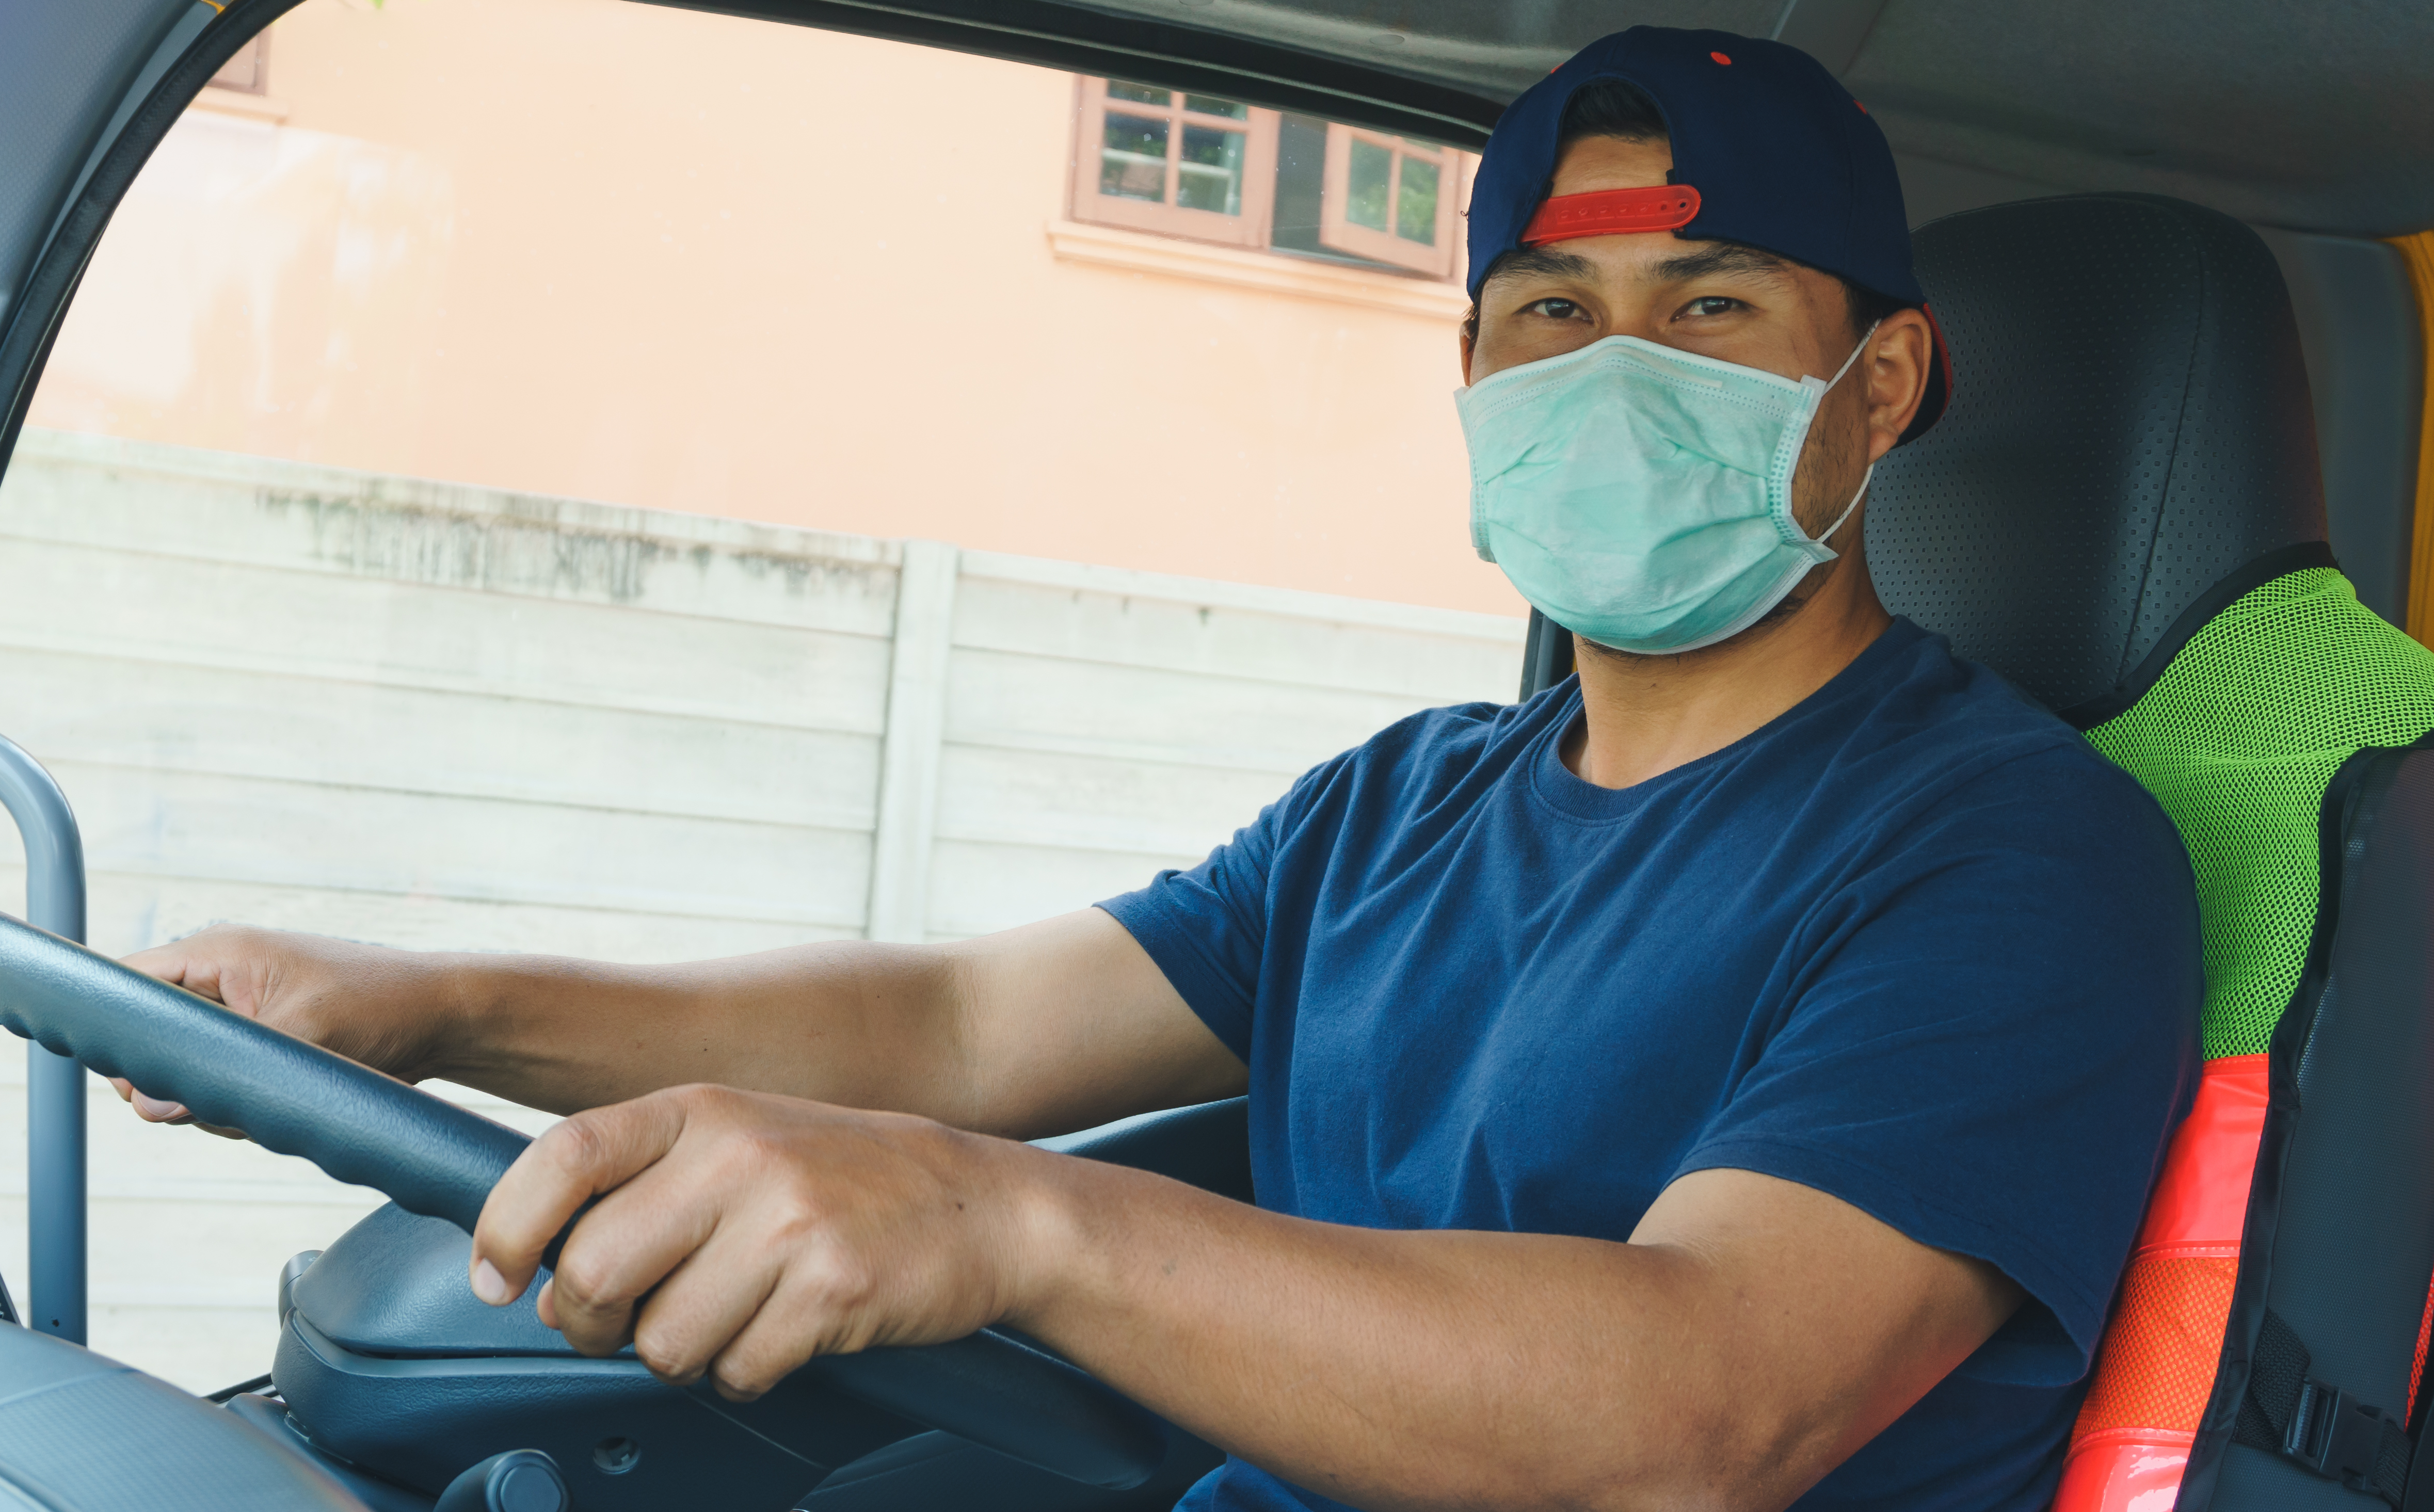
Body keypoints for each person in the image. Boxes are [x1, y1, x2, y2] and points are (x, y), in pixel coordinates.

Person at [117, 26, 2201, 1512]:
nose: (1612, 371)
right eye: (1549, 308)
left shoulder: (2014, 854)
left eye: (1710, 302)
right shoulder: (1406, 804)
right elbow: (954, 1018)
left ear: (1883, 386)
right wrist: (437, 1004)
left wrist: (1012, 1223)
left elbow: (1704, 1402)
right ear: (1470, 378)